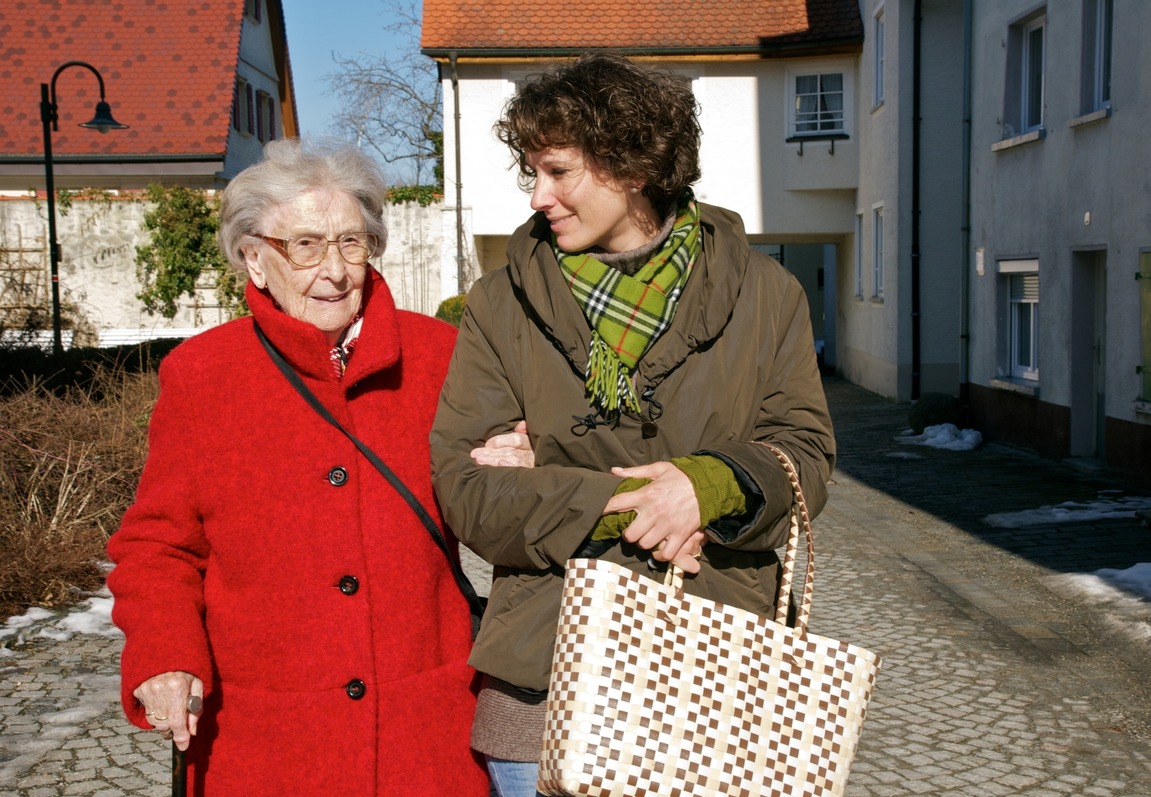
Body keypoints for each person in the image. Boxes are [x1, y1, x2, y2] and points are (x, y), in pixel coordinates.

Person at [429, 51, 836, 796]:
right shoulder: (499, 304)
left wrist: (706, 485)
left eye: (558, 171)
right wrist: (642, 504)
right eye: (532, 173)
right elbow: (468, 489)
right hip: (544, 671)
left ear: (632, 165)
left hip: (718, 666)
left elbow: (804, 454)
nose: (538, 196)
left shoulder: (767, 293)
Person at [107, 139, 488, 796]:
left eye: (350, 242)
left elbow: (500, 506)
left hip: (424, 736)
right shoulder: (203, 377)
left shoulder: (441, 358)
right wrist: (166, 651)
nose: (334, 270)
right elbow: (158, 544)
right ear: (254, 258)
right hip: (266, 744)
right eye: (305, 246)